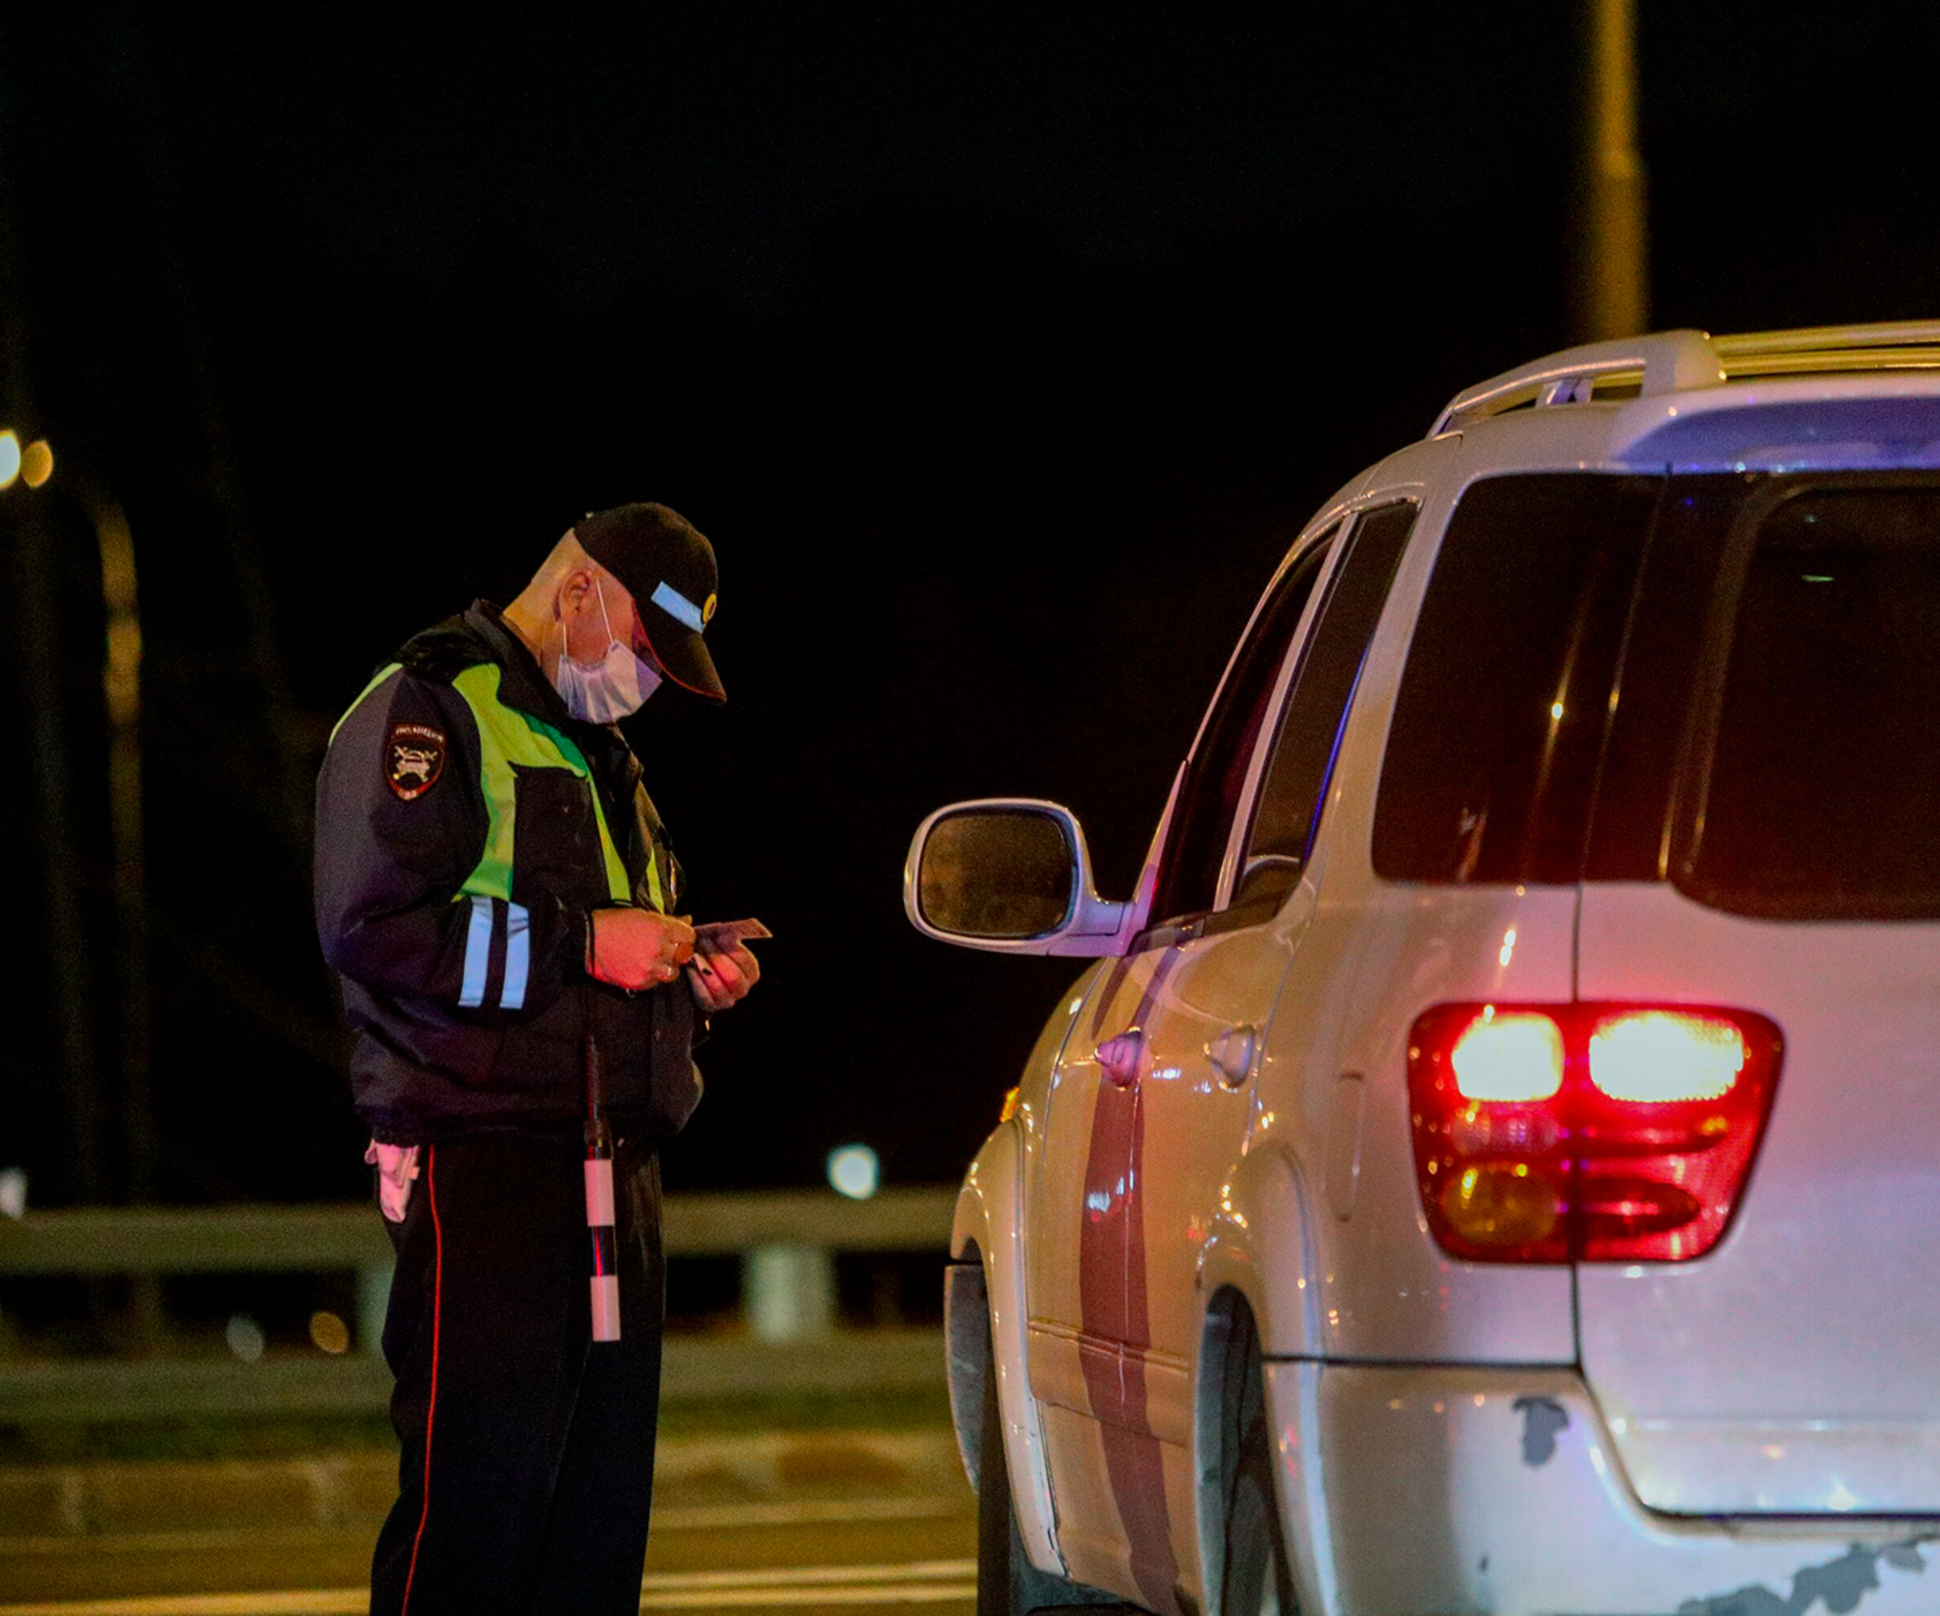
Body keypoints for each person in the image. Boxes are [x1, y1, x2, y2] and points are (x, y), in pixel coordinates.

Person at [313, 502, 761, 1616]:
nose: (644, 682)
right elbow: (373, 926)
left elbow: (595, 955)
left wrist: (682, 976)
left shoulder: (601, 750)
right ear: (576, 594)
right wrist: (584, 942)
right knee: (473, 1516)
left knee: (592, 1525)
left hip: (613, 1170)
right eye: (645, 652)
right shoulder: (428, 705)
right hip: (488, 1159)